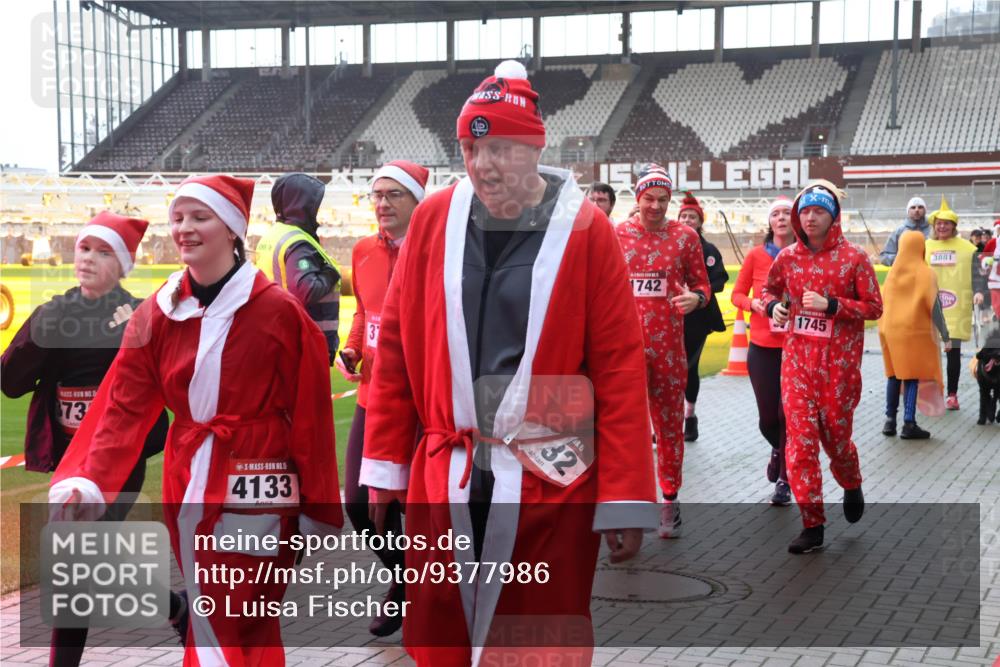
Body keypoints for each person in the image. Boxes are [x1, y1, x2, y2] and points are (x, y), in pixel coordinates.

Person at [360, 60, 657, 667]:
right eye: (471, 146)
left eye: (500, 148)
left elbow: (620, 371)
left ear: (533, 146)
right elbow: (393, 346)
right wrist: (385, 464)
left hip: (549, 475)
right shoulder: (436, 219)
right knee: (441, 631)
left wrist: (625, 495)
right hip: (449, 467)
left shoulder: (586, 230)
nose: (483, 165)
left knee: (537, 638)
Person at [48, 175, 343, 666]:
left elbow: (311, 416)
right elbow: (122, 403)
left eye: (199, 217)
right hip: (187, 481)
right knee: (226, 620)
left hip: (257, 479)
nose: (185, 228)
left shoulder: (278, 312)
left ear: (232, 230)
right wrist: (88, 479)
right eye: (179, 217)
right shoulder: (160, 313)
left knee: (231, 618)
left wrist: (317, 507)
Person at [1, 212, 174, 666]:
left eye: (103, 252)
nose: (89, 259)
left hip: (119, 459)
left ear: (123, 264)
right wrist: (40, 334)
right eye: (84, 248)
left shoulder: (139, 315)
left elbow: (168, 385)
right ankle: (177, 609)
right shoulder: (54, 312)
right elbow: (11, 382)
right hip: (68, 462)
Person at [763, 180, 883, 554]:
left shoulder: (855, 258)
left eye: (818, 211)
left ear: (833, 217)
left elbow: (874, 308)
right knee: (799, 445)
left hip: (839, 368)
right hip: (797, 364)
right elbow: (768, 290)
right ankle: (812, 524)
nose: (810, 218)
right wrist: (772, 307)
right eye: (805, 212)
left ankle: (850, 480)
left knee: (835, 438)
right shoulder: (788, 258)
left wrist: (833, 306)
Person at [337, 159, 428, 637]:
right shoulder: (362, 252)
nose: (383, 203)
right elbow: (364, 312)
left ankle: (426, 593)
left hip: (421, 406)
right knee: (357, 503)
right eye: (377, 194)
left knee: (414, 507)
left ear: (417, 201)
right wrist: (352, 347)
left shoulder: (434, 255)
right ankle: (403, 578)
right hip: (372, 397)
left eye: (395, 194)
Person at [616, 166, 711, 538]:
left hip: (669, 349)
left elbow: (702, 285)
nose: (655, 206)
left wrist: (697, 298)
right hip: (623, 350)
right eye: (649, 198)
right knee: (625, 429)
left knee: (669, 426)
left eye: (662, 200)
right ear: (637, 197)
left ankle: (669, 499)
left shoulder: (685, 237)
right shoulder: (617, 234)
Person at [731, 196, 795, 506]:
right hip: (762, 346)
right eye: (776, 214)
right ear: (769, 222)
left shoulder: (805, 254)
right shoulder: (757, 255)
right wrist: (753, 304)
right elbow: (737, 294)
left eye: (786, 213)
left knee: (788, 417)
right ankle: (779, 451)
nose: (781, 218)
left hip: (797, 348)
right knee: (768, 420)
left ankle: (785, 479)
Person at [254, 172, 341, 362]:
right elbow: (305, 290)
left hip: (277, 335)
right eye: (314, 203)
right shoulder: (298, 242)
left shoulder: (272, 235)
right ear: (303, 205)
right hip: (304, 342)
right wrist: (330, 274)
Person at [879, 230, 950, 439]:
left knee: (893, 375)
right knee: (910, 376)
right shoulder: (926, 273)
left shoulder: (893, 273)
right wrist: (946, 335)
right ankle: (909, 423)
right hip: (912, 333)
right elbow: (935, 307)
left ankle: (889, 421)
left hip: (888, 332)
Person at [924, 197, 986, 410]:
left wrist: (978, 291)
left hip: (956, 307)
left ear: (954, 226)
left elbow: (977, 274)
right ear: (934, 225)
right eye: (939, 223)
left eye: (946, 223)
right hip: (929, 306)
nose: (942, 226)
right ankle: (932, 392)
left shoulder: (968, 248)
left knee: (953, 353)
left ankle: (952, 395)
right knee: (929, 352)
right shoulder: (925, 246)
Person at [676, 191, 728, 443]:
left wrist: (698, 292)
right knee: (664, 371)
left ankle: (689, 417)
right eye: (683, 216)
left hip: (697, 318)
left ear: (700, 221)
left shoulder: (708, 249)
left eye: (692, 217)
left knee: (690, 368)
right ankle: (665, 423)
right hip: (670, 317)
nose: (687, 220)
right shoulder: (669, 245)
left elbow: (720, 279)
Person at [878, 196, 929, 266]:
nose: (917, 210)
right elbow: (884, 256)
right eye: (913, 207)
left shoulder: (933, 230)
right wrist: (902, 259)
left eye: (920, 207)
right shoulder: (898, 232)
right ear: (908, 211)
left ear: (925, 210)